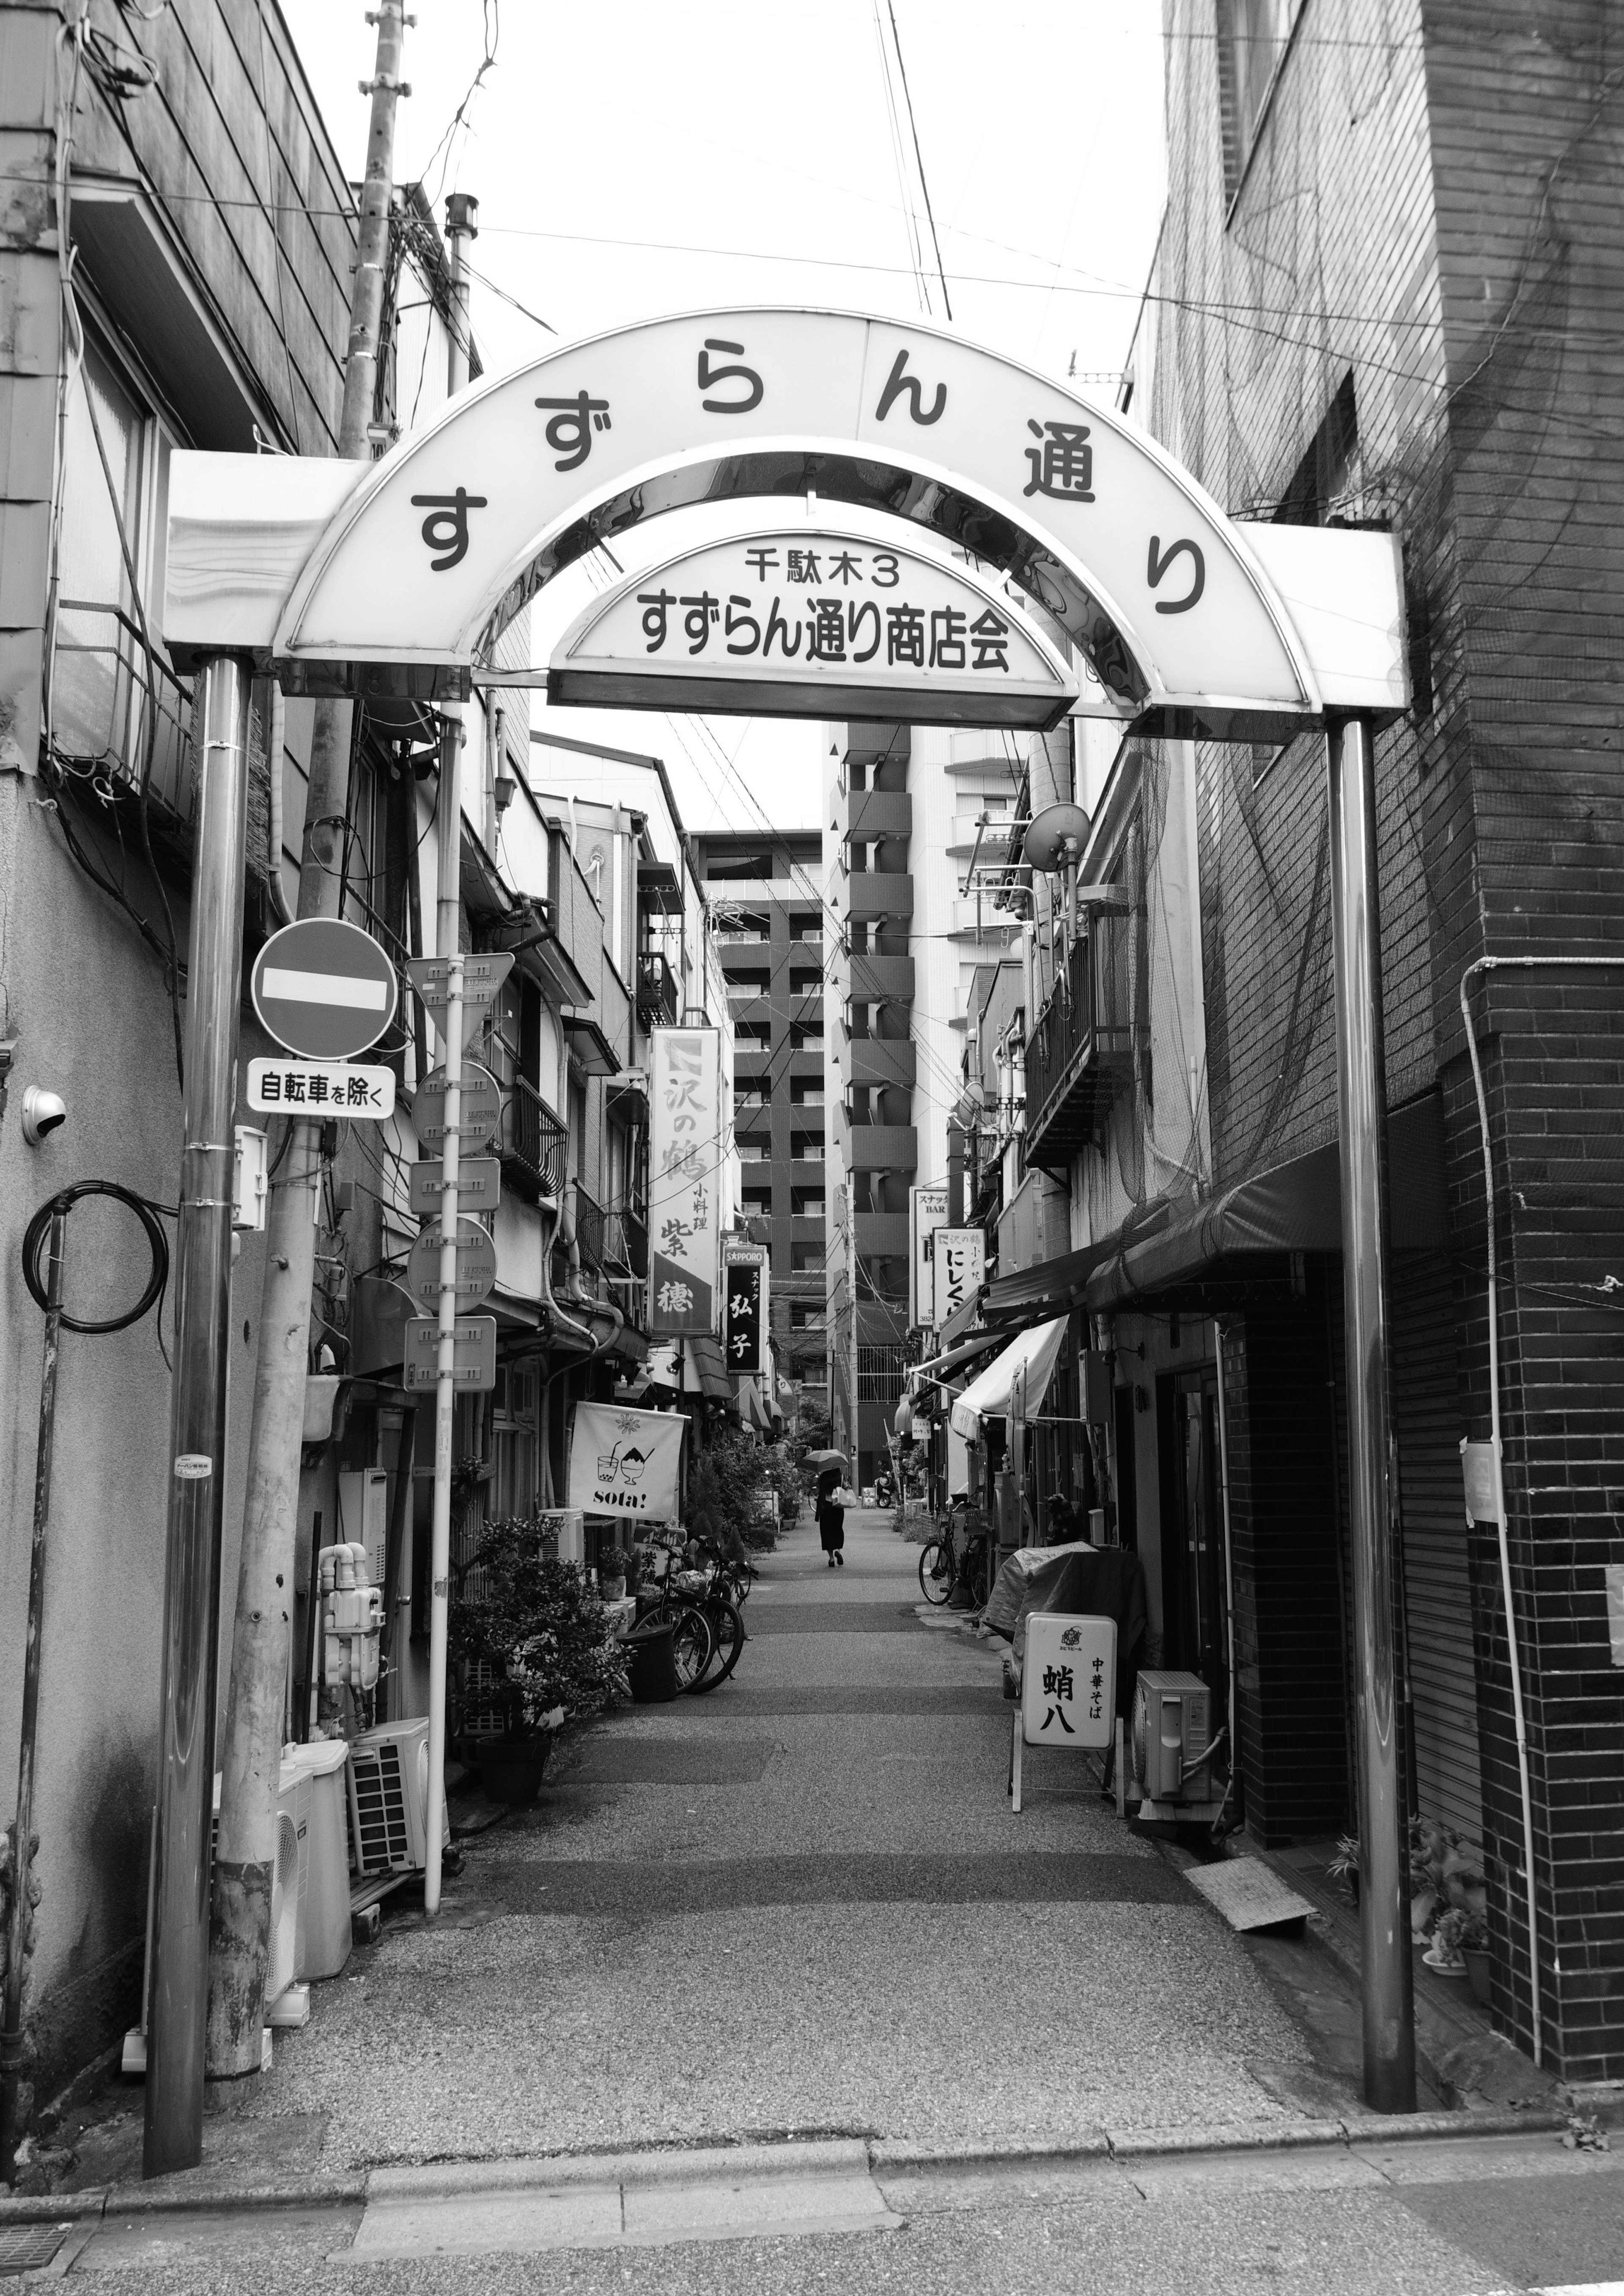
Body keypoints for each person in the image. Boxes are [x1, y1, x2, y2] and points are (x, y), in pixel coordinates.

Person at [815, 1467, 846, 1568]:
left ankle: (831, 1559)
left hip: (826, 1507)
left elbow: (817, 1492)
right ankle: (838, 1550)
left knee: (826, 1532)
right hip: (837, 1506)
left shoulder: (823, 1477)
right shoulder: (840, 1477)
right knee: (838, 1529)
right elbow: (847, 1487)